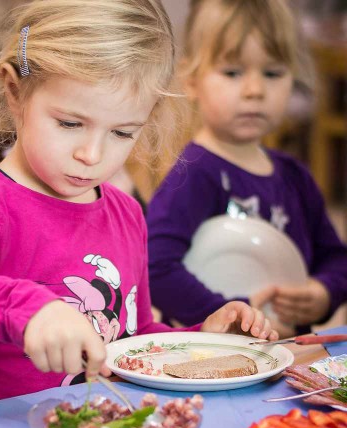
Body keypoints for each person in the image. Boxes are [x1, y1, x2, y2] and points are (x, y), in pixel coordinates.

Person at [0, 0, 276, 409]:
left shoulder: (127, 212)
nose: (92, 154)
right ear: (15, 93)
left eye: (122, 132)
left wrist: (200, 340)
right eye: (70, 123)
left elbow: (127, 339)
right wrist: (31, 311)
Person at [146, 0, 347, 335]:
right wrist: (229, 315)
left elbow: (336, 258)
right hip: (208, 360)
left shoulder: (295, 176)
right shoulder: (193, 173)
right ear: (192, 80)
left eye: (272, 73)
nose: (255, 90)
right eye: (233, 72)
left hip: (286, 358)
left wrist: (324, 292)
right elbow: (156, 267)